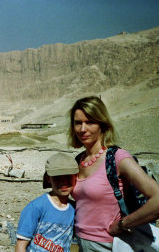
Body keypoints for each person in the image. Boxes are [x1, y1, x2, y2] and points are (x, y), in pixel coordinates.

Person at [68, 96, 159, 251]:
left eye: (90, 122)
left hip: (110, 244)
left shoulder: (117, 158)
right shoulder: (79, 160)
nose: (82, 129)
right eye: (78, 123)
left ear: (102, 124)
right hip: (82, 243)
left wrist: (123, 223)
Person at [15, 152, 79, 252]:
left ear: (76, 177)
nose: (63, 182)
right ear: (48, 179)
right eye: (58, 177)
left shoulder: (74, 208)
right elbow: (21, 245)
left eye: (68, 177)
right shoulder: (36, 207)